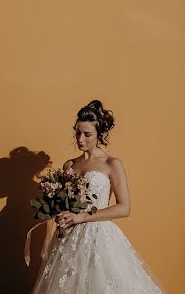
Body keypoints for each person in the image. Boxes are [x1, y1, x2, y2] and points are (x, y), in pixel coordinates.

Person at [30, 100, 164, 293]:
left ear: (99, 134)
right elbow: (64, 202)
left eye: (87, 134)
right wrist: (60, 214)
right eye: (77, 133)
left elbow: (124, 207)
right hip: (69, 239)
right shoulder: (69, 165)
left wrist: (82, 217)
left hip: (98, 237)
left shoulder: (112, 164)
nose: (80, 139)